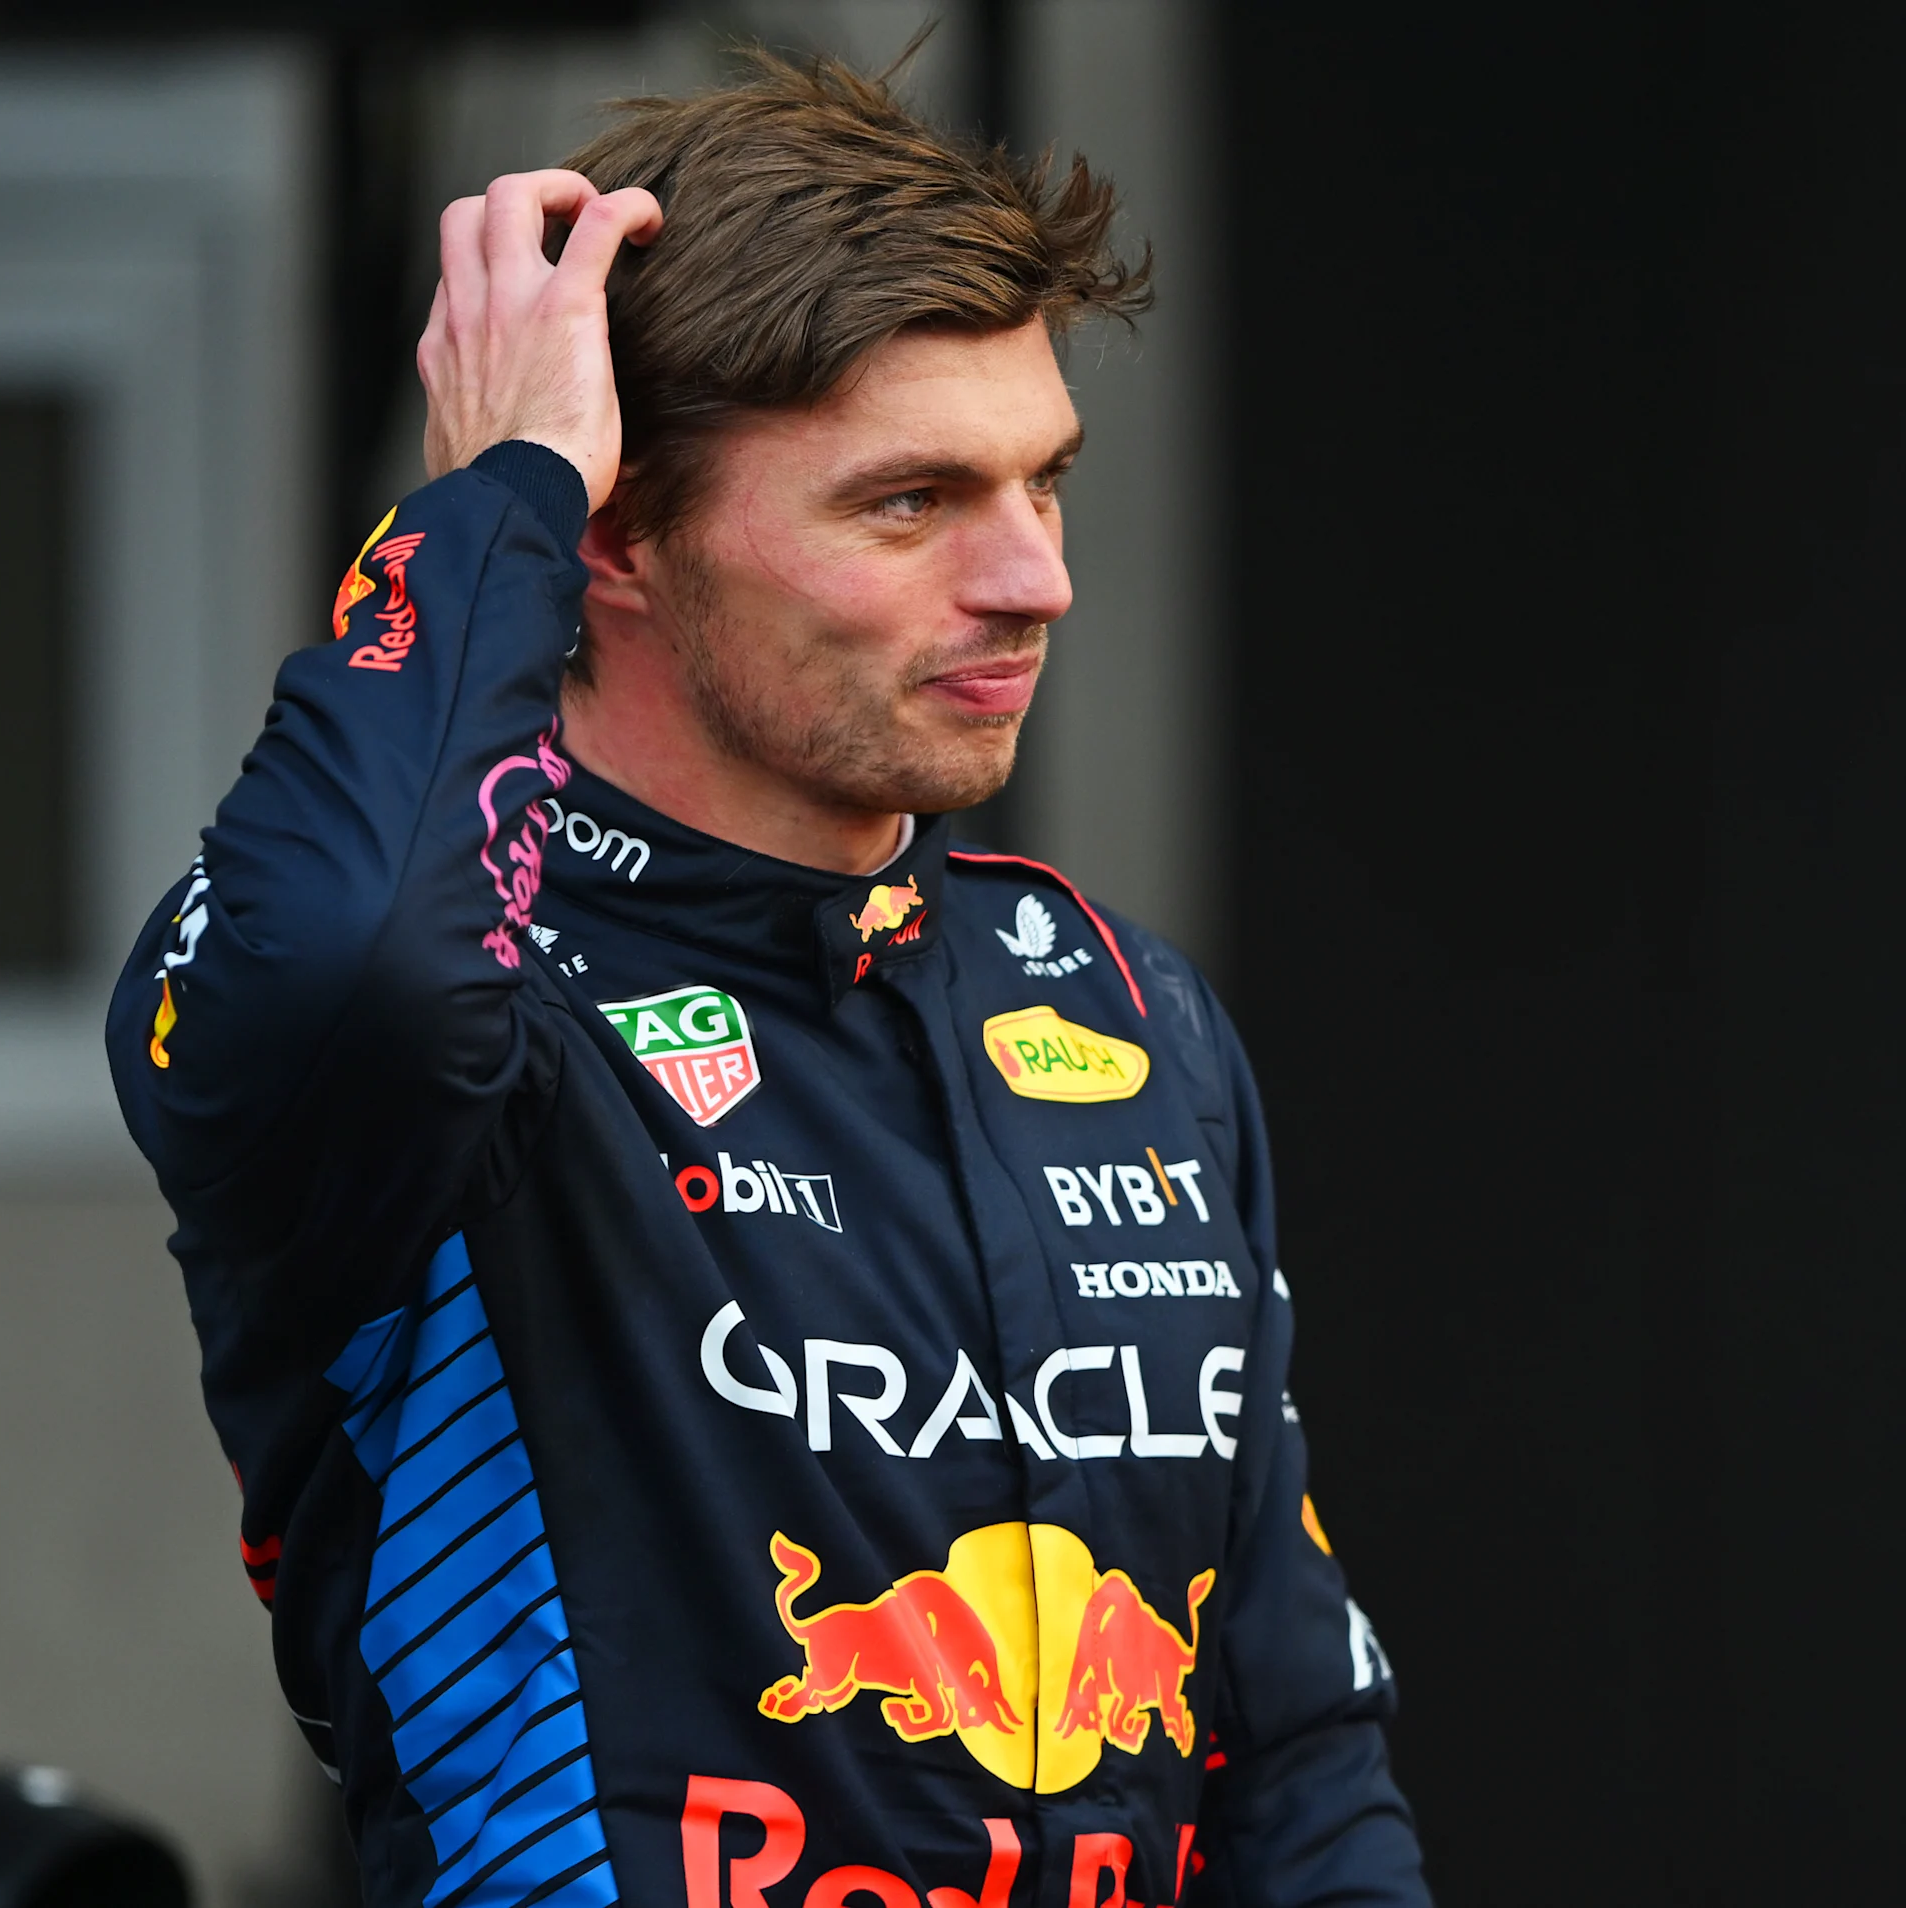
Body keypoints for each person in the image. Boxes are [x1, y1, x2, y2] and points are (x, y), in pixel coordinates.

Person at [106, 53, 1425, 1908]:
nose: (1034, 576)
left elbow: (1288, 1749)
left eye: (1045, 480)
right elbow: (349, 966)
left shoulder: (1123, 1008)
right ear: (617, 536)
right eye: (910, 503)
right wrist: (492, 505)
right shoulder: (444, 989)